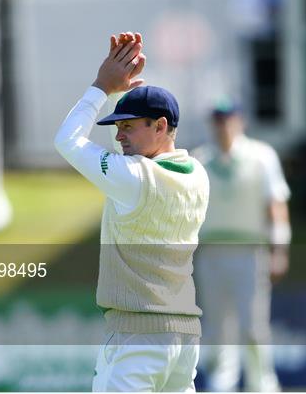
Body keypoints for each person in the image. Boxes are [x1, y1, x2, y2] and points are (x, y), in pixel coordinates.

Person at [54, 32, 210, 392]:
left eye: (128, 126)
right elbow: (135, 156)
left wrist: (101, 87)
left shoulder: (134, 178)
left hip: (138, 333)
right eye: (118, 127)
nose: (120, 135)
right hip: (184, 334)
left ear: (160, 126)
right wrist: (122, 94)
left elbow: (68, 141)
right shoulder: (198, 174)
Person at [193, 99, 291, 392]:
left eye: (229, 118)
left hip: (250, 253)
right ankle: (221, 385)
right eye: (218, 119)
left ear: (240, 121)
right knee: (216, 327)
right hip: (210, 254)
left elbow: (275, 205)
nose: (224, 125)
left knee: (253, 326)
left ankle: (262, 384)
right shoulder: (199, 160)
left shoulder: (262, 156)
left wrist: (279, 249)